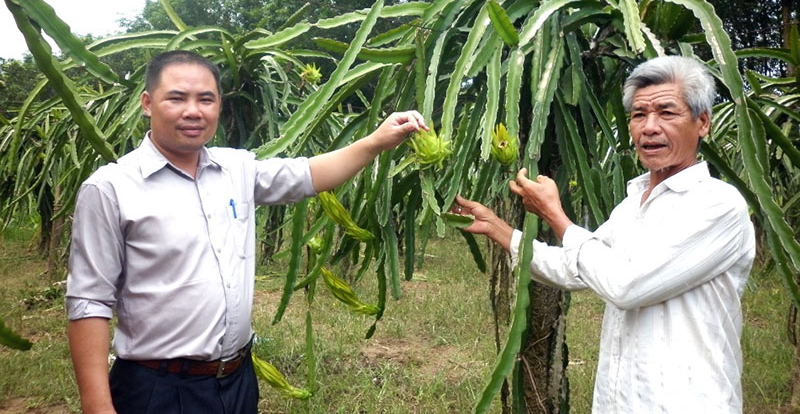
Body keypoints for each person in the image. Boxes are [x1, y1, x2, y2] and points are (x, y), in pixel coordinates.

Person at [65, 50, 428, 414]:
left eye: (206, 99)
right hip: (157, 387)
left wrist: (378, 141)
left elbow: (308, 176)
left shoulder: (236, 169)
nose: (193, 111)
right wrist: (97, 407)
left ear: (219, 105)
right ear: (147, 103)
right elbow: (89, 301)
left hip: (237, 381)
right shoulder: (110, 188)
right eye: (176, 98)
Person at [453, 56, 755, 413]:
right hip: (623, 399)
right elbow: (576, 265)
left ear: (702, 123)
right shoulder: (632, 205)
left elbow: (625, 286)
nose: (650, 127)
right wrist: (498, 228)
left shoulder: (718, 206)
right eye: (639, 115)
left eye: (667, 112)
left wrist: (555, 216)